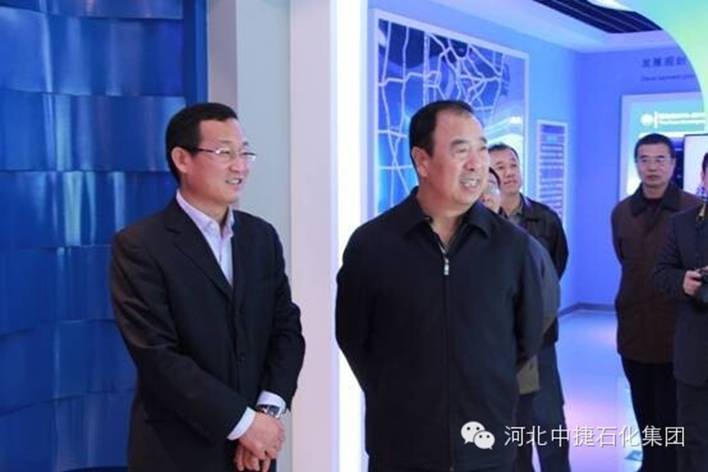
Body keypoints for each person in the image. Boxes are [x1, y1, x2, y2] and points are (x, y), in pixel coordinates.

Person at [336, 100, 544, 472]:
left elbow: (526, 338)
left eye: (482, 149)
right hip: (401, 448)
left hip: (486, 447)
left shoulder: (511, 246)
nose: (477, 164)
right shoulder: (373, 245)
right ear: (422, 161)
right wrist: (400, 391)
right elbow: (353, 338)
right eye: (461, 150)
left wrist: (479, 380)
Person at [110, 102, 305, 472]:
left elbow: (286, 330)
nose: (240, 166)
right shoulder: (140, 245)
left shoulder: (261, 237)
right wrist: (244, 424)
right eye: (224, 153)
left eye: (244, 152)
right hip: (177, 452)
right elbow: (158, 357)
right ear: (182, 159)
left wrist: (265, 414)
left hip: (255, 454)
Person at [611, 133, 701, 472]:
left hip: (680, 333)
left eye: (660, 159)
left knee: (676, 416)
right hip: (634, 329)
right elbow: (625, 259)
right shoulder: (622, 212)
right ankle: (651, 464)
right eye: (645, 160)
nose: (652, 167)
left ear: (673, 164)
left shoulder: (694, 209)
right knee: (644, 410)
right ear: (636, 164)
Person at [489, 143, 570, 472]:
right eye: (499, 167)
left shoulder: (544, 218)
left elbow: (555, 268)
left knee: (550, 423)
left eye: (513, 165)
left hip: (540, 338)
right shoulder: (480, 221)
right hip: (497, 343)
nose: (509, 173)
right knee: (512, 429)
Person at [653, 151, 708, 472]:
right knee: (693, 440)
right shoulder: (683, 224)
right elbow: (660, 272)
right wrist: (682, 282)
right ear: (703, 178)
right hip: (695, 353)